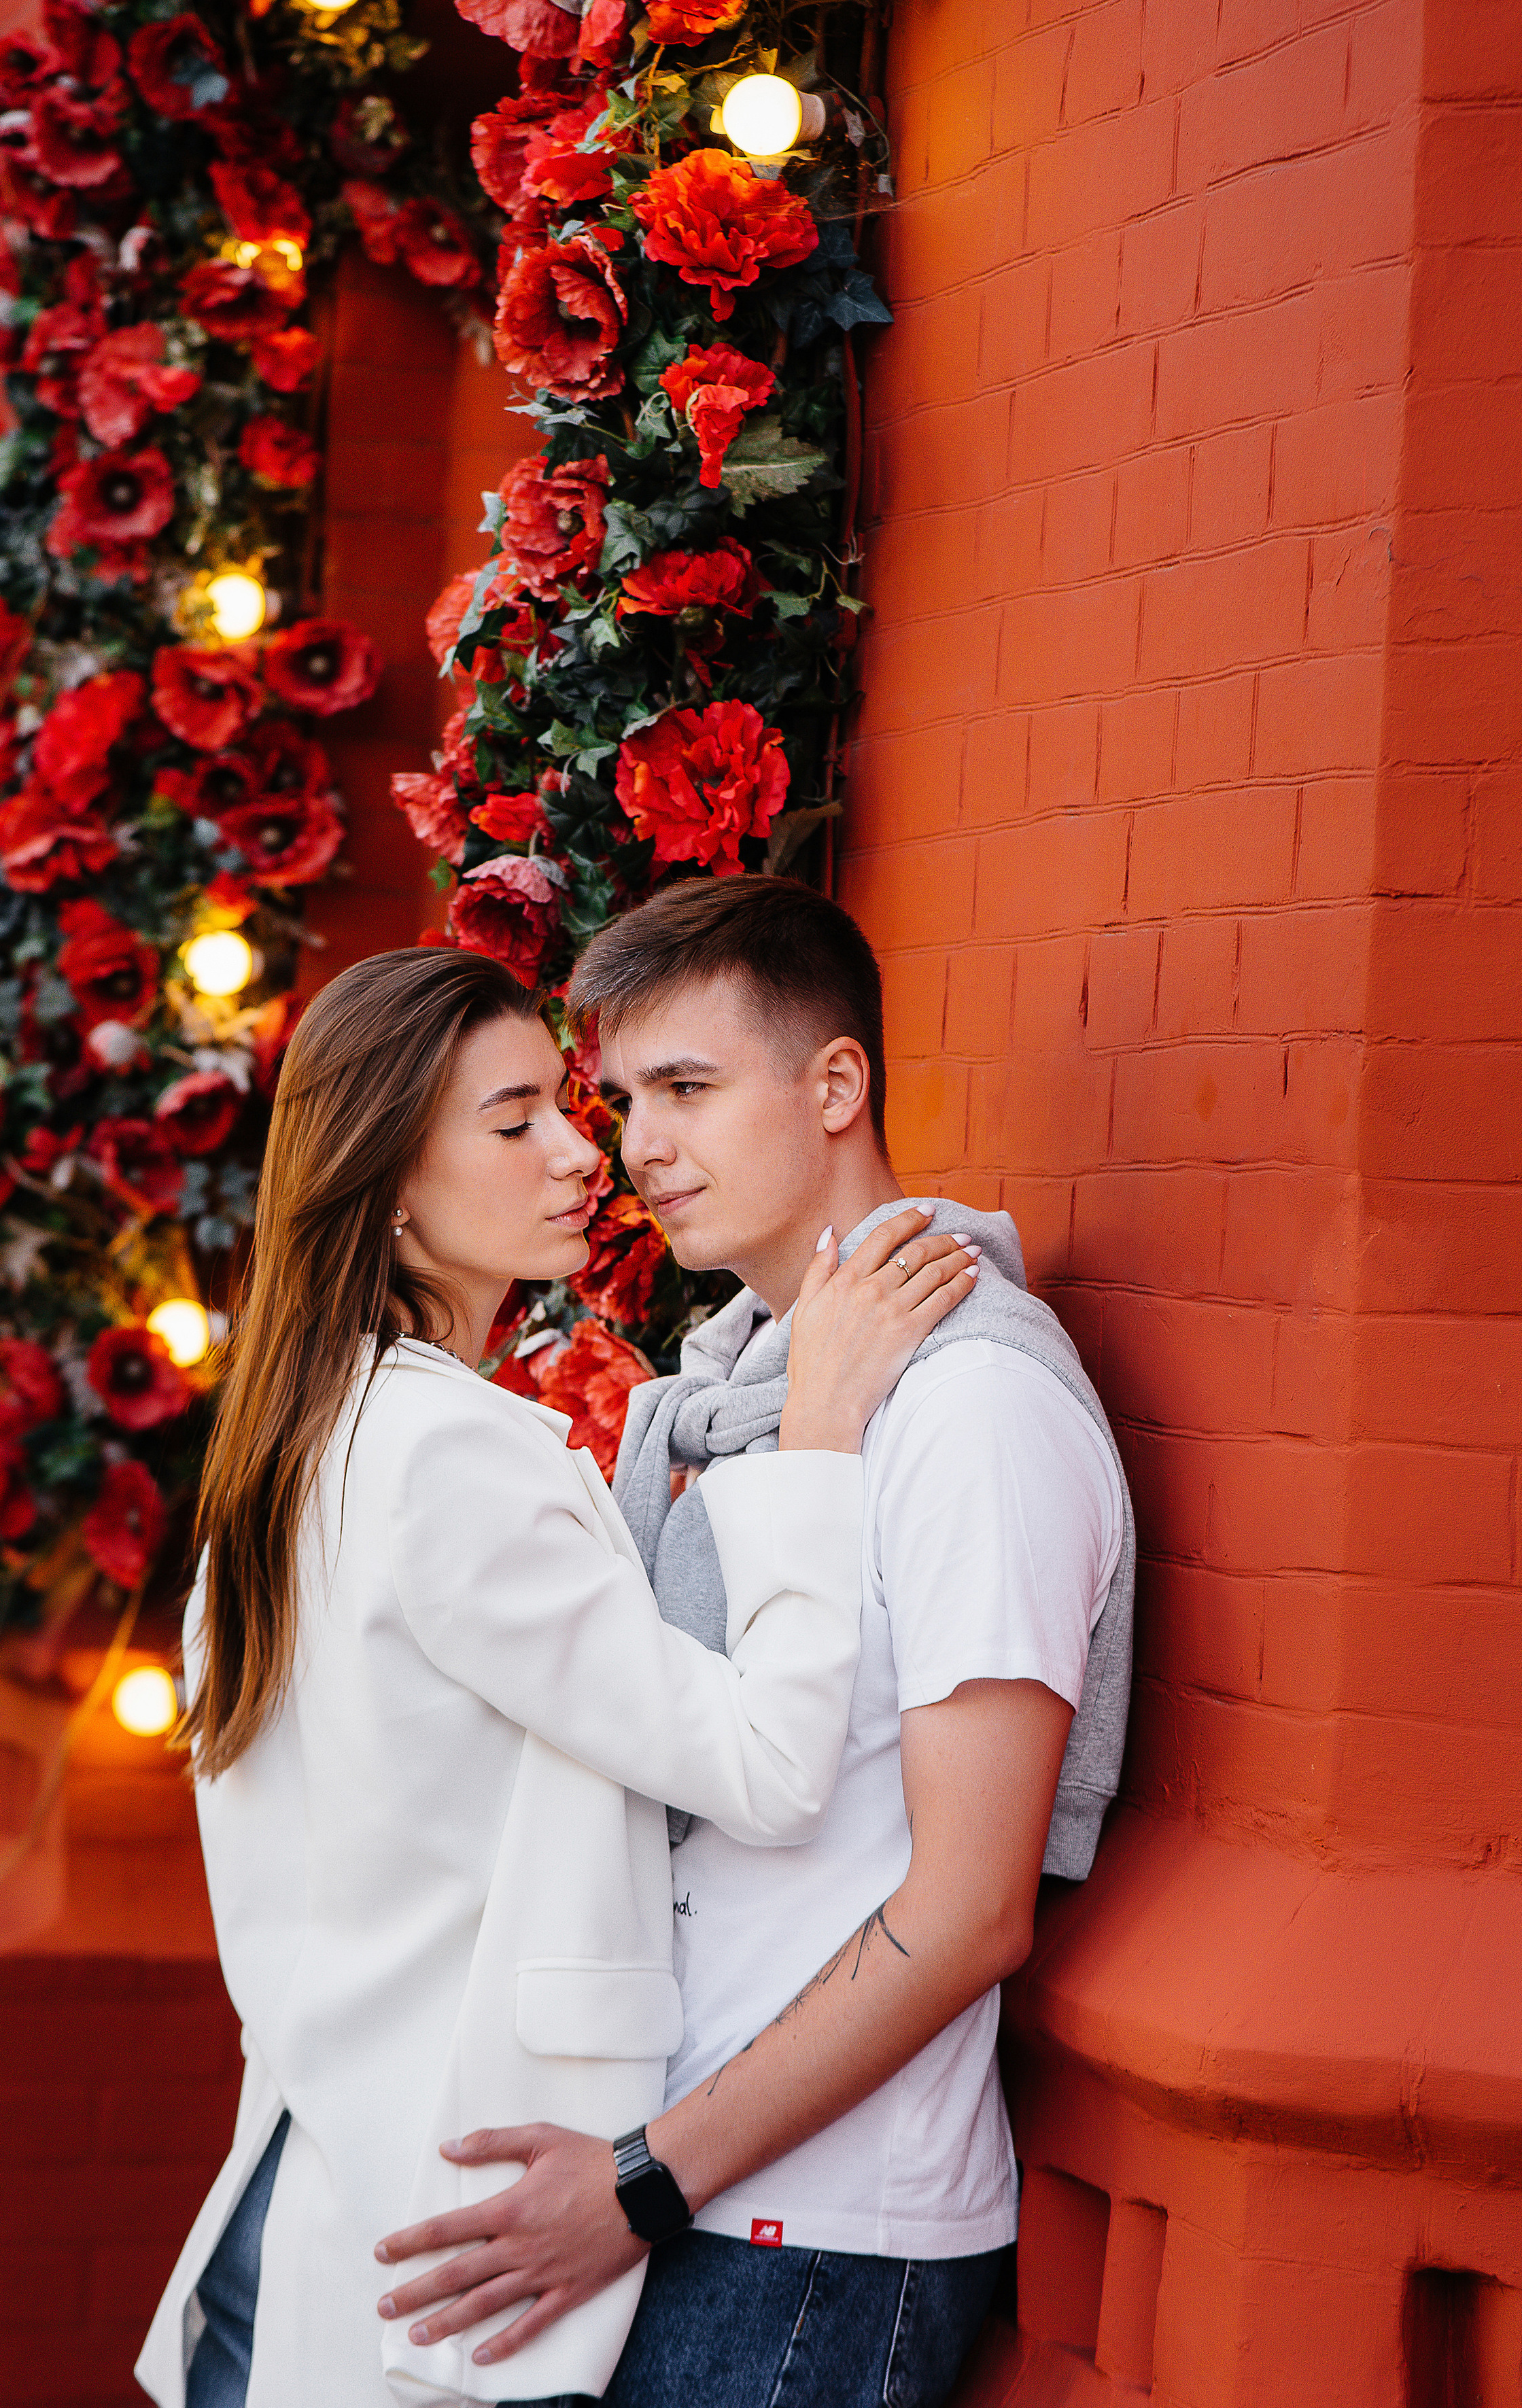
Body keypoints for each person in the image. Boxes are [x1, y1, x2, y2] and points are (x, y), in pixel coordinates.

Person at [133, 945, 978, 2408]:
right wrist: (820, 1435)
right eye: (513, 1119)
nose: (584, 1153)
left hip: (315, 2218)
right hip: (437, 2254)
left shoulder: (300, 1436)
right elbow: (769, 1768)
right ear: (390, 1183)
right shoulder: (442, 1454)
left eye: (563, 1107)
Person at [374, 879, 1135, 2408]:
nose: (638, 1144)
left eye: (687, 1089)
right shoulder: (726, 1400)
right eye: (622, 1096)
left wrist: (642, 2183)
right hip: (676, 2194)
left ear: (834, 1084)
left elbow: (970, 1908)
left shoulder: (971, 1410)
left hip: (811, 2236)